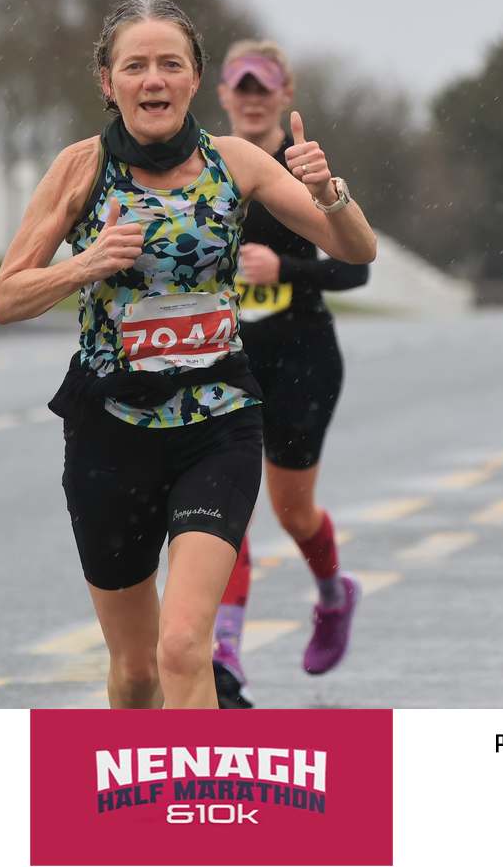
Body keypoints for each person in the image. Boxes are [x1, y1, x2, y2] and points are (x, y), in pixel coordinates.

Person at [0, 0, 376, 708]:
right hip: (110, 432)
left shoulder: (236, 162)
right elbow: (6, 298)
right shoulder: (79, 169)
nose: (154, 80)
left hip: (216, 422)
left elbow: (357, 249)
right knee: (137, 670)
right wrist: (86, 264)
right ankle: (141, 778)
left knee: (183, 646)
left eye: (170, 64)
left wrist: (329, 192)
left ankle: (196, 781)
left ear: (196, 78)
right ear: (108, 82)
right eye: (135, 66)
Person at [208, 41, 369, 709]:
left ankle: (333, 594)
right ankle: (224, 657)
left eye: (263, 87)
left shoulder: (302, 165)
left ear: (285, 93)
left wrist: (286, 269)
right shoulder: (204, 167)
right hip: (225, 361)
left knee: (292, 510)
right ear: (222, 94)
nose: (251, 98)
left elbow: (356, 268)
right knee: (225, 506)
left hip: (302, 359)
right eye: (240, 87)